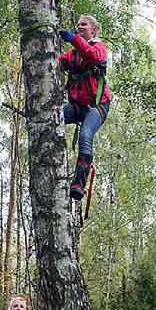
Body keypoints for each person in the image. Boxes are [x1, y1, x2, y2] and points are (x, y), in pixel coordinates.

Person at [59, 15, 111, 200]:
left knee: (86, 135)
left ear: (94, 30)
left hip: (97, 106)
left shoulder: (98, 48)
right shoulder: (72, 54)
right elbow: (58, 61)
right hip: (78, 107)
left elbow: (91, 55)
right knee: (54, 116)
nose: (79, 27)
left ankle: (79, 183)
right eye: (78, 25)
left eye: (84, 25)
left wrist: (73, 38)